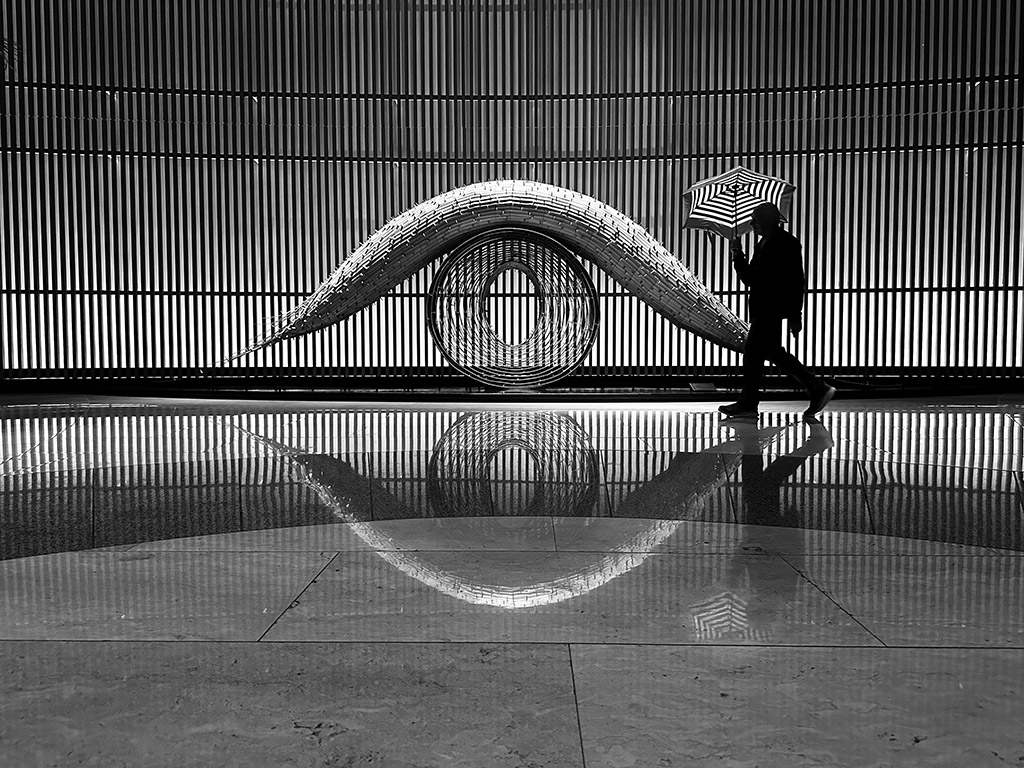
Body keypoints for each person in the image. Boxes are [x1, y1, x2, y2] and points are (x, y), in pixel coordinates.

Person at [719, 202, 835, 419]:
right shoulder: (763, 243)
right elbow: (751, 278)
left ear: (768, 220)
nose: (752, 223)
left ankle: (749, 402)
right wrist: (738, 256)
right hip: (764, 307)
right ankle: (815, 387)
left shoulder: (786, 244)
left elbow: (795, 281)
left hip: (771, 307)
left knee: (755, 352)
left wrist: (795, 315)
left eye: (755, 219)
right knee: (770, 351)